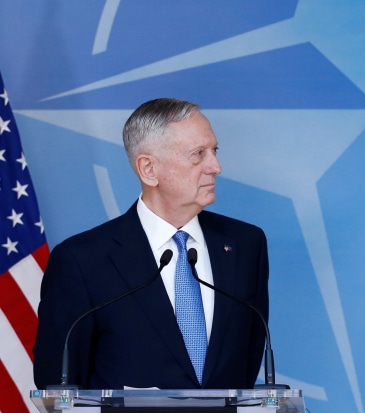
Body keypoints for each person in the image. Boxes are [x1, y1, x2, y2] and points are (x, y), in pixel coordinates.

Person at [33, 98, 269, 390]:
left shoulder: (245, 245)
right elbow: (60, 382)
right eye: (198, 154)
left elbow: (247, 358)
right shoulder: (83, 260)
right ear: (149, 169)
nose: (216, 166)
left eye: (214, 151)